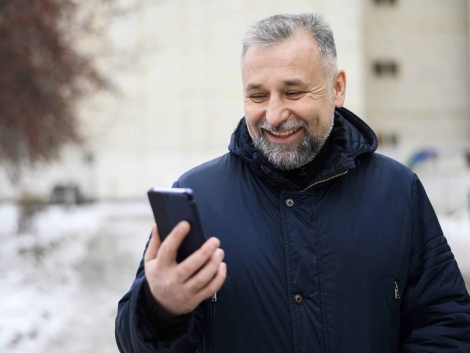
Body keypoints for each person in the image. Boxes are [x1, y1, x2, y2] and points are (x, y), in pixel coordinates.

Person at [115, 13, 470, 353]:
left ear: (337, 88)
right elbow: (135, 343)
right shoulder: (199, 197)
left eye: (293, 92)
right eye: (257, 96)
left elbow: (445, 322)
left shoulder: (396, 191)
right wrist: (160, 308)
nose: (273, 115)